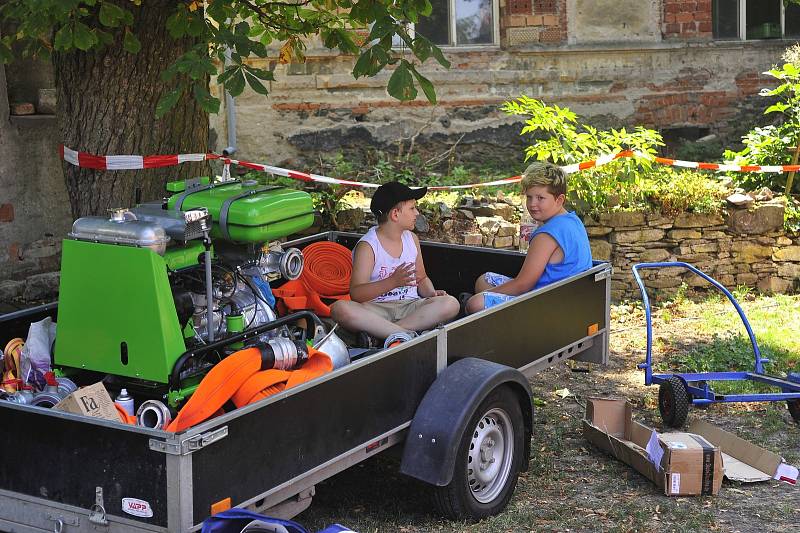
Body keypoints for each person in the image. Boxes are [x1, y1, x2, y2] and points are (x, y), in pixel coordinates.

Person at [331, 181, 460, 345]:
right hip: (376, 310)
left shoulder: (412, 239)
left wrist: (431, 293)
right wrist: (392, 282)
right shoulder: (368, 246)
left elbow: (421, 278)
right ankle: (408, 335)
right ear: (395, 214)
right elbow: (356, 294)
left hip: (410, 306)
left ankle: (387, 333)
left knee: (451, 303)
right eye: (412, 208)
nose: (417, 213)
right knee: (340, 309)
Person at [465, 161, 592, 314]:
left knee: (474, 303)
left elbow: (523, 284)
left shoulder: (546, 235)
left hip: (544, 304)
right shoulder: (573, 220)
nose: (532, 204)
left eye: (540, 198)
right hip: (568, 297)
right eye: (529, 197)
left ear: (559, 200)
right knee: (484, 280)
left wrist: (482, 297)